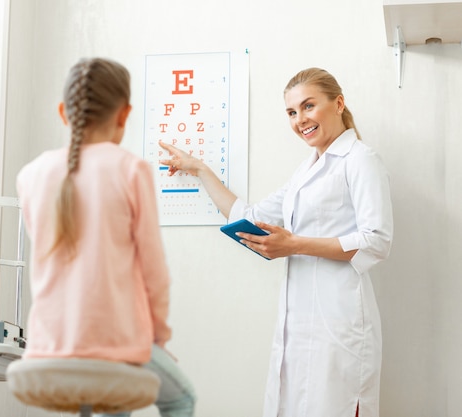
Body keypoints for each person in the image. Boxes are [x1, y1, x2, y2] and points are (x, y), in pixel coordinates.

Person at [159, 68, 393, 417]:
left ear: (338, 103)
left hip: (338, 324)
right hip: (299, 325)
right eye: (292, 112)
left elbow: (376, 241)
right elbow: (250, 216)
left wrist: (295, 245)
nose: (301, 120)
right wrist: (200, 170)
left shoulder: (360, 159)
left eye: (308, 106)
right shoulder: (305, 172)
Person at [16, 57, 196, 417]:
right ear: (124, 115)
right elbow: (154, 273)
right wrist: (157, 338)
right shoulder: (130, 169)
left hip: (47, 347)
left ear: (64, 113)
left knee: (116, 392)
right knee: (180, 399)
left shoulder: (31, 174)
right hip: (114, 343)